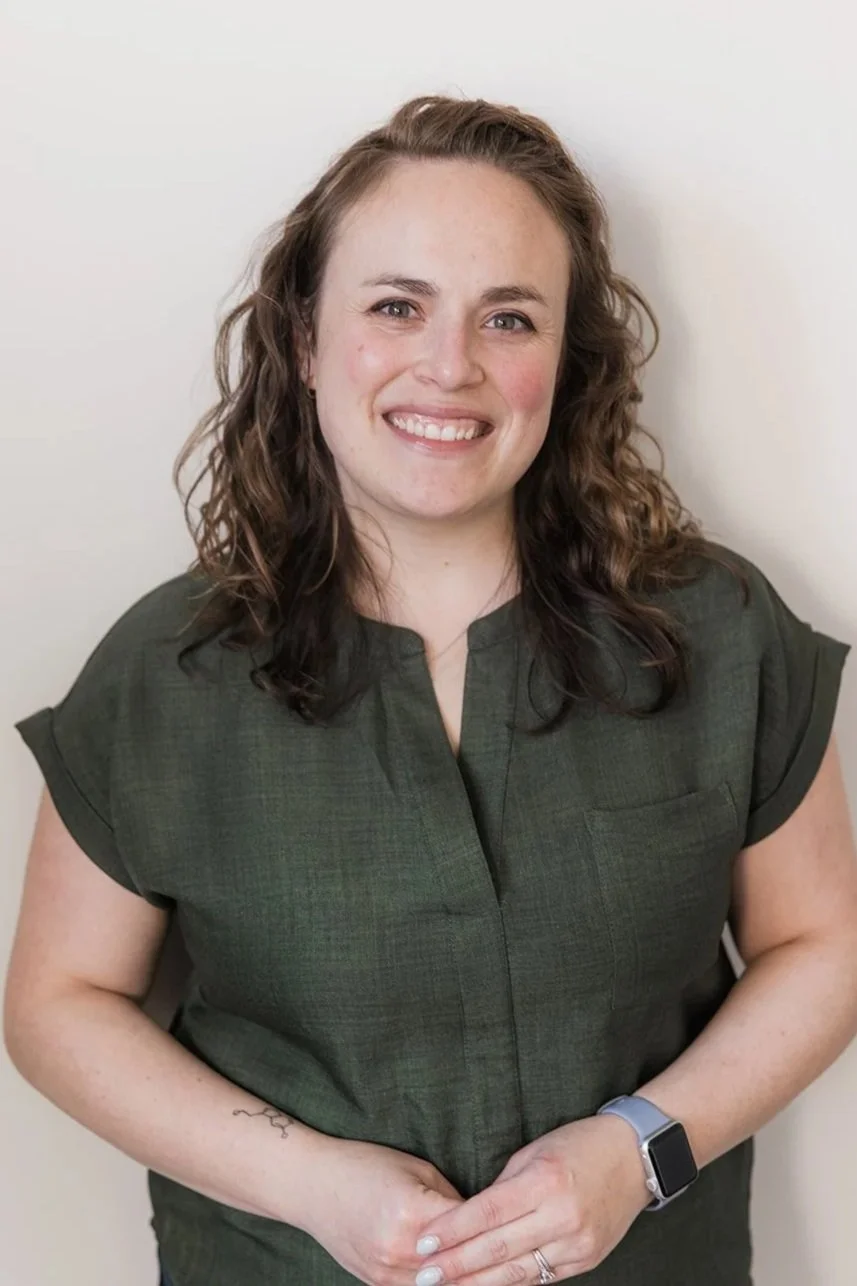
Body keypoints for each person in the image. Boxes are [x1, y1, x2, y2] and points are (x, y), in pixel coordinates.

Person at [4, 93, 857, 1286]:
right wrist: (308, 1180)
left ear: (566, 362)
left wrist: (635, 1150)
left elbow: (820, 943)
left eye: (507, 317)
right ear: (304, 342)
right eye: (396, 305)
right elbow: (58, 998)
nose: (448, 366)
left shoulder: (715, 632)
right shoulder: (165, 673)